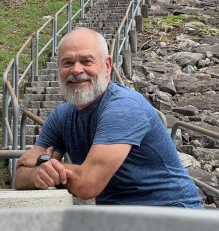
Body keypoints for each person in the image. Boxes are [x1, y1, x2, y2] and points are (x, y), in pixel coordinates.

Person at [14, 27, 202, 207]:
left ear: (107, 65)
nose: (76, 70)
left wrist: (44, 165)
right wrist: (38, 173)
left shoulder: (124, 107)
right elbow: (19, 178)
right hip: (118, 216)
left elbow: (87, 183)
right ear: (58, 68)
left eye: (86, 61)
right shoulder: (61, 115)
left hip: (170, 213)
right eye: (68, 63)